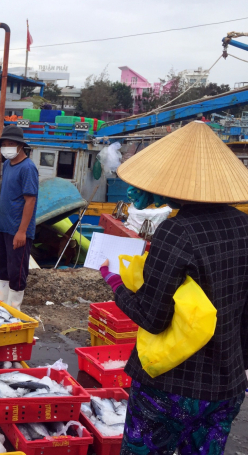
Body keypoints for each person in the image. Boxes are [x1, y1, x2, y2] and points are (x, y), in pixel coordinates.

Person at [99, 121, 248, 454]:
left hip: (171, 388)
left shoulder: (175, 232)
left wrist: (113, 282)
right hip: (228, 387)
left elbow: (152, 316)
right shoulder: (244, 225)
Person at [0, 125, 39, 310]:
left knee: (16, 270)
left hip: (18, 228)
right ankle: (0, 306)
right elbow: (6, 195)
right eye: (4, 144)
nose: (6, 147)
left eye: (11, 144)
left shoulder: (28, 168)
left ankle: (14, 309)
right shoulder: (7, 165)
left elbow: (30, 201)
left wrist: (22, 232)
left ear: (20, 146)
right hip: (3, 226)